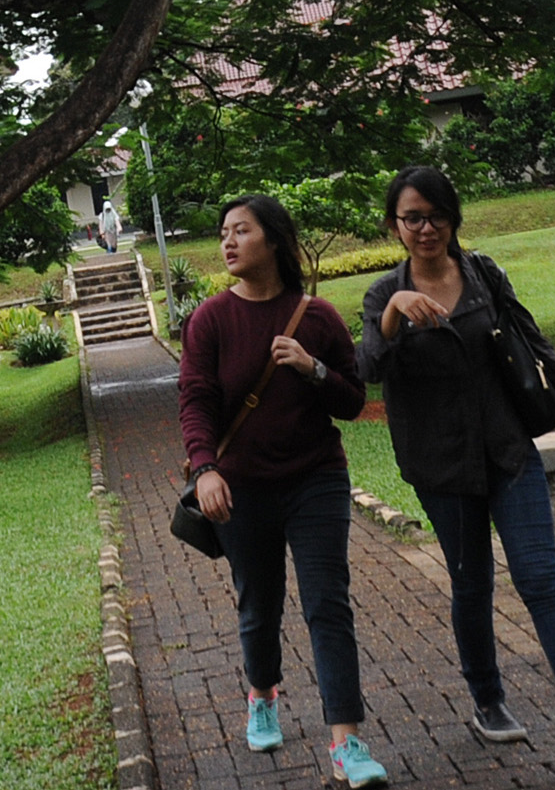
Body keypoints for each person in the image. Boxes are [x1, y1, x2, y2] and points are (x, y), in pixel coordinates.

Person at [355, 166, 555, 772]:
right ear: (395, 225)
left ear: (453, 217)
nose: (426, 228)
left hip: (506, 451)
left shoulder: (482, 274)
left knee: (540, 578)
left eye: (437, 215)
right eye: (412, 217)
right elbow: (368, 367)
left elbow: (532, 340)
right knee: (472, 583)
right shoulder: (383, 294)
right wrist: (397, 311)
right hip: (440, 462)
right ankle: (488, 700)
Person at [178, 194, 388, 787]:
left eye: (241, 231)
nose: (227, 242)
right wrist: (204, 469)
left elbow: (352, 400)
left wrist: (311, 367)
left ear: (273, 240)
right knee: (259, 600)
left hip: (315, 478)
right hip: (240, 487)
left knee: (328, 603)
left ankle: (347, 741)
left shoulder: (315, 317)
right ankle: (262, 693)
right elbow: (194, 400)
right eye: (223, 232)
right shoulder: (210, 320)